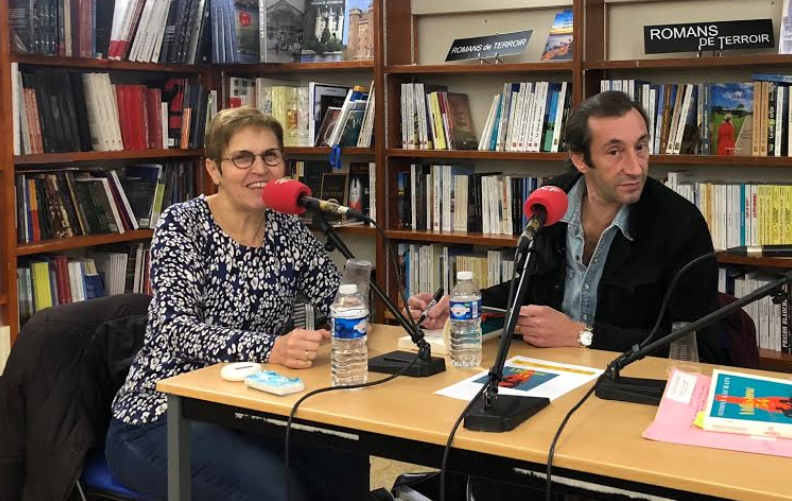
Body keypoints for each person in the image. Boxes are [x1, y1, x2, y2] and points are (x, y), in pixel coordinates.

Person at [106, 106, 370, 501]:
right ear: (214, 169)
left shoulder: (286, 226)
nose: (259, 169)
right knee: (276, 490)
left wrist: (399, 311)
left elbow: (338, 297)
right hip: (162, 416)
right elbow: (176, 330)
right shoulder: (183, 225)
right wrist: (272, 348)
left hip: (249, 408)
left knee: (344, 459)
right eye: (243, 158)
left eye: (270, 156)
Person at [407, 90, 730, 366]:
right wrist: (465, 308)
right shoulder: (551, 202)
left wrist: (583, 336)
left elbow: (700, 346)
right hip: (550, 370)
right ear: (580, 160)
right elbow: (528, 289)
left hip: (628, 380)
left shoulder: (680, 224)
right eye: (615, 152)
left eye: (641, 147)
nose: (635, 168)